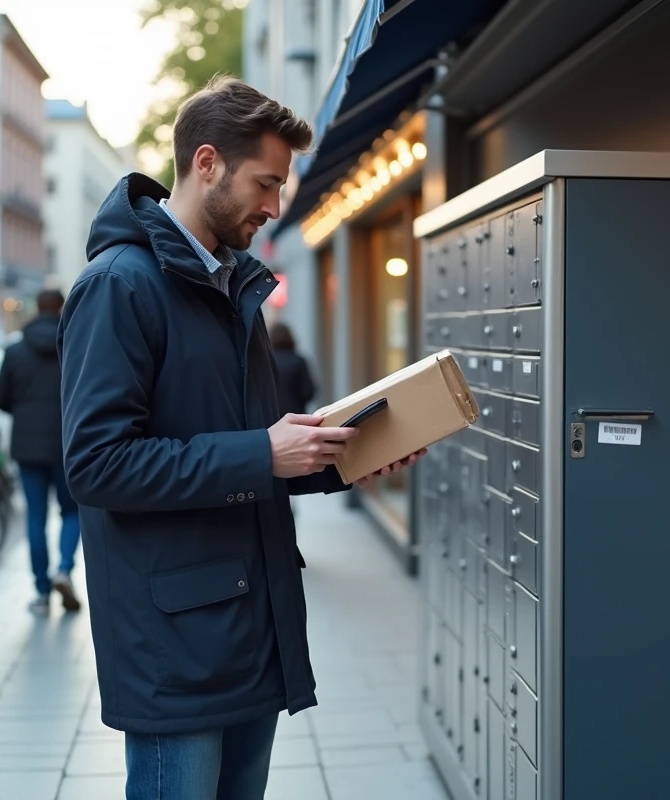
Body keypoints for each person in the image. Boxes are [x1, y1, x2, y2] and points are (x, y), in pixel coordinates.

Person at [58, 75, 422, 800]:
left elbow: (257, 444)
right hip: (177, 647)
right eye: (265, 183)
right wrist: (264, 452)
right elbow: (97, 466)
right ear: (205, 163)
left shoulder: (235, 290)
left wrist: (344, 460)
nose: (274, 207)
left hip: (249, 625)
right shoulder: (120, 286)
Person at [0, 289, 82, 616]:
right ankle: (65, 569)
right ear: (60, 308)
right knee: (72, 512)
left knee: (35, 517)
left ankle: (42, 593)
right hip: (67, 443)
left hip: (27, 446)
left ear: (36, 308)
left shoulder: (15, 351)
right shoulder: (73, 343)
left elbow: (1, 398)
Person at [268, 322, 317, 417]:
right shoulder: (298, 361)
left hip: (272, 418)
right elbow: (309, 392)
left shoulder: (266, 361)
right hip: (296, 416)